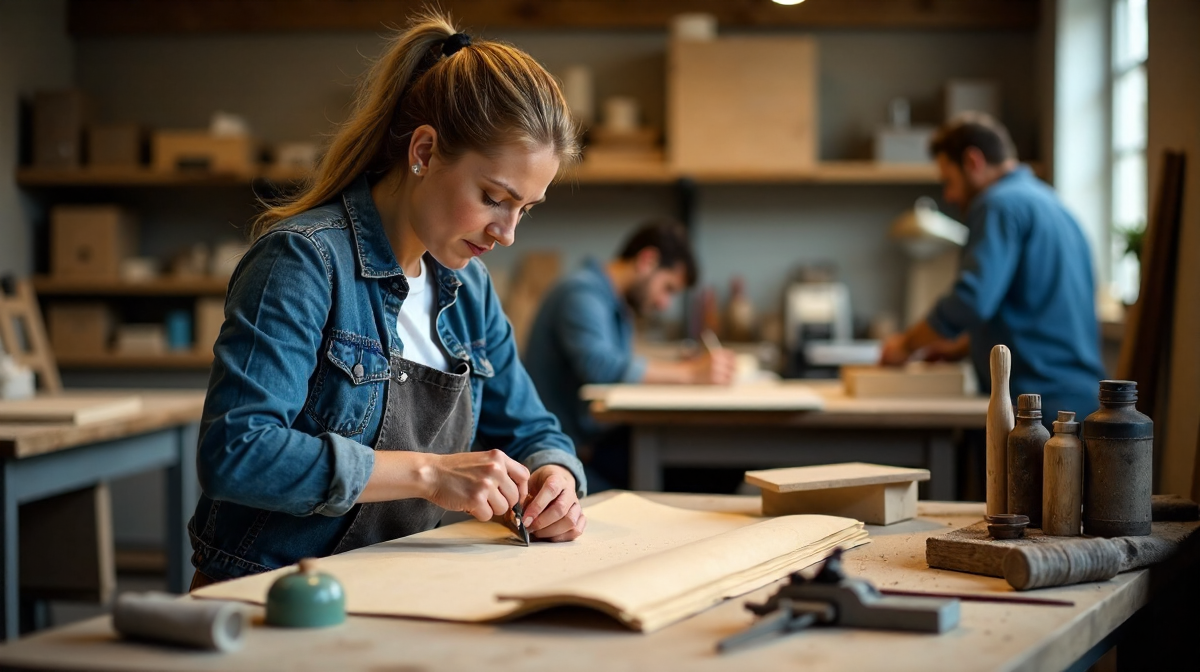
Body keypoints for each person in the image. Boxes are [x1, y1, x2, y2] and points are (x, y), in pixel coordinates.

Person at [188, 12, 588, 588]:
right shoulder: (303, 262)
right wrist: (429, 474)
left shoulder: (468, 289)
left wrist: (557, 478)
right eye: (494, 197)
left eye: (525, 209)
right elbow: (236, 453)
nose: (508, 233)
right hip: (272, 597)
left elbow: (532, 429)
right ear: (423, 151)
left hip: (402, 590)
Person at [880, 113, 1107, 422]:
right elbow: (1032, 308)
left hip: (1038, 405)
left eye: (949, 181)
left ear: (973, 162)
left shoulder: (998, 204)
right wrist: (958, 348)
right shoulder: (1053, 205)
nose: (949, 195)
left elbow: (971, 300)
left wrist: (905, 345)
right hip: (1079, 399)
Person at [524, 219, 736, 490]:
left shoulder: (614, 303)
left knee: (710, 459)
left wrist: (681, 367)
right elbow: (599, 366)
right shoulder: (580, 293)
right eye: (667, 288)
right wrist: (693, 373)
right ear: (648, 260)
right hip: (572, 453)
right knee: (713, 469)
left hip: (592, 443)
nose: (663, 303)